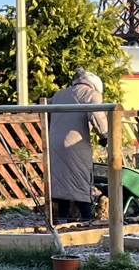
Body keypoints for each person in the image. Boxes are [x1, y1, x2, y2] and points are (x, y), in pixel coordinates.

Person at [44, 69, 108, 224]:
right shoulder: (92, 95)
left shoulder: (59, 95)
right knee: (81, 182)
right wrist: (105, 136)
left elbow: (47, 113)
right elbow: (97, 116)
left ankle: (62, 220)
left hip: (54, 144)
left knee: (61, 182)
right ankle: (88, 220)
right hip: (75, 145)